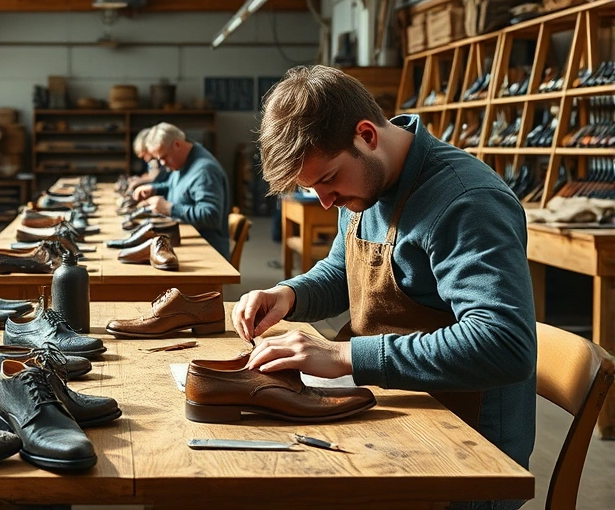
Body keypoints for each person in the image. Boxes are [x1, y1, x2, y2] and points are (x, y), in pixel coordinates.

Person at [233, 65, 535, 507]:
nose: (325, 201)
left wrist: (344, 356)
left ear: (366, 135)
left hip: (466, 453)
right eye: (312, 188)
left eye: (328, 179)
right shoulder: (365, 183)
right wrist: (288, 295)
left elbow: (504, 344)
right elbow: (343, 272)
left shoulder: (466, 201)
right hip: (392, 408)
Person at [132, 122, 230, 259]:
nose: (162, 163)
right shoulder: (183, 161)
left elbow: (211, 216)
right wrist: (154, 189)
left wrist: (170, 208)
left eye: (164, 157)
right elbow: (178, 187)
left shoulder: (205, 171)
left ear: (177, 145)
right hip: (188, 241)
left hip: (208, 252)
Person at [128, 126, 169, 191]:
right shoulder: (152, 162)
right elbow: (153, 176)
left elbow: (162, 181)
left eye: (144, 155)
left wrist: (141, 181)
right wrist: (142, 179)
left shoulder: (164, 161)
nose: (145, 159)